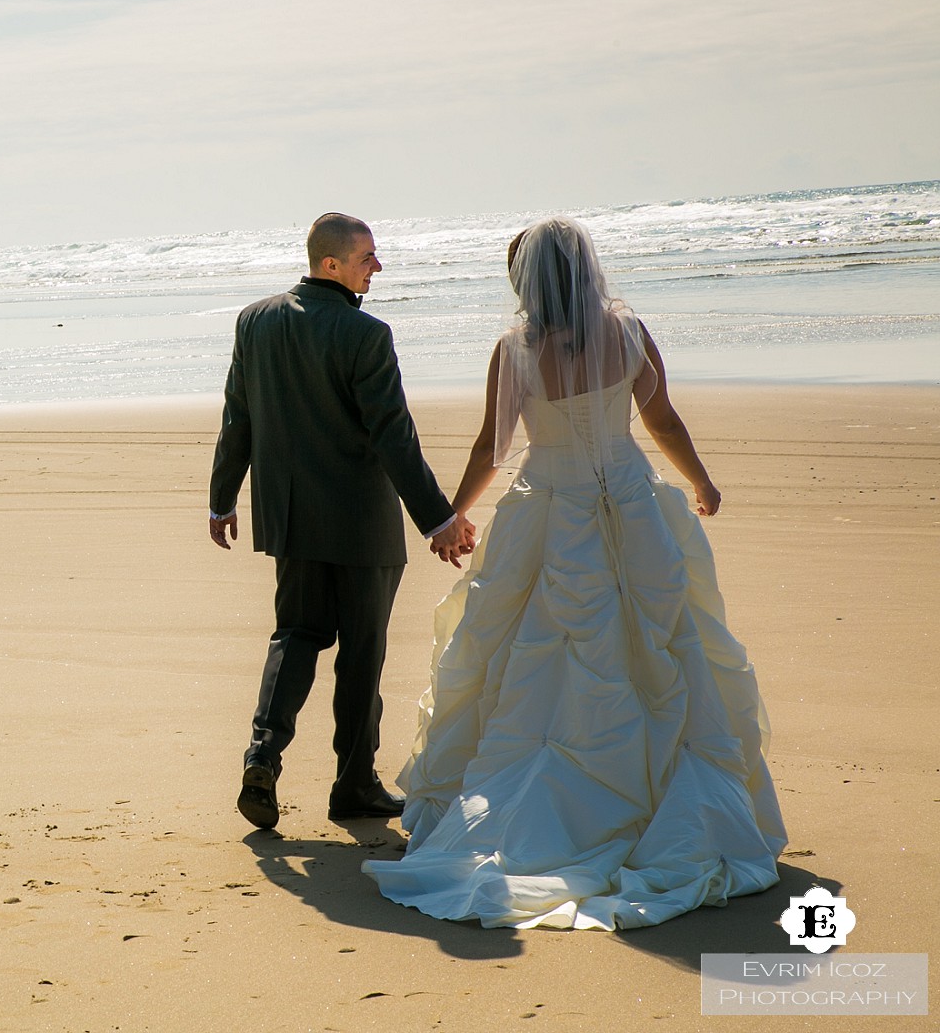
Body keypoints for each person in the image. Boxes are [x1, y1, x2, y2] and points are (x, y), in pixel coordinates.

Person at [362, 217, 786, 930]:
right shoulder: (626, 332)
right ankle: (656, 808)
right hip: (631, 502)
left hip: (548, 510)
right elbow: (664, 421)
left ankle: (534, 817)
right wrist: (702, 483)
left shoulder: (518, 349)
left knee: (529, 657)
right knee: (660, 650)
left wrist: (450, 517)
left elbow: (493, 445)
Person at [209, 212, 476, 831]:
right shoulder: (366, 335)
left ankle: (263, 755)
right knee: (362, 653)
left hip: (293, 518)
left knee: (295, 636)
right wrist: (438, 520)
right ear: (331, 265)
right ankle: (353, 784)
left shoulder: (256, 321)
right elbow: (394, 438)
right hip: (361, 525)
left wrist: (223, 499)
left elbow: (236, 416)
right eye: (367, 258)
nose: (377, 267)